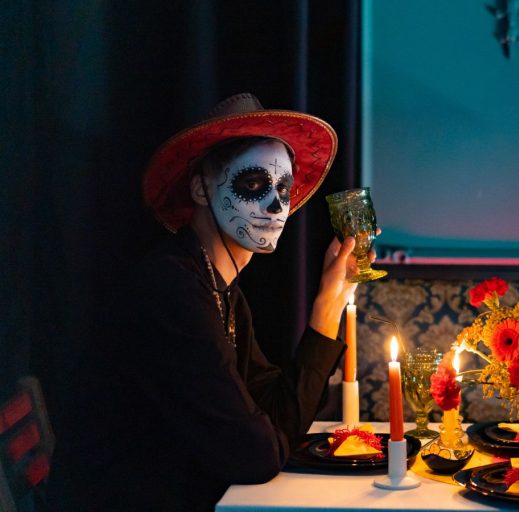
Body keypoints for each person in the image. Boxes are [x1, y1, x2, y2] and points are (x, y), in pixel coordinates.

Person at [50, 94, 359, 510]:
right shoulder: (171, 290)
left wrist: (329, 305)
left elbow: (278, 416)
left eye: (283, 188)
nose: (276, 205)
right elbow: (258, 457)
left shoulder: (221, 288)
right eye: (253, 184)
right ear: (199, 187)